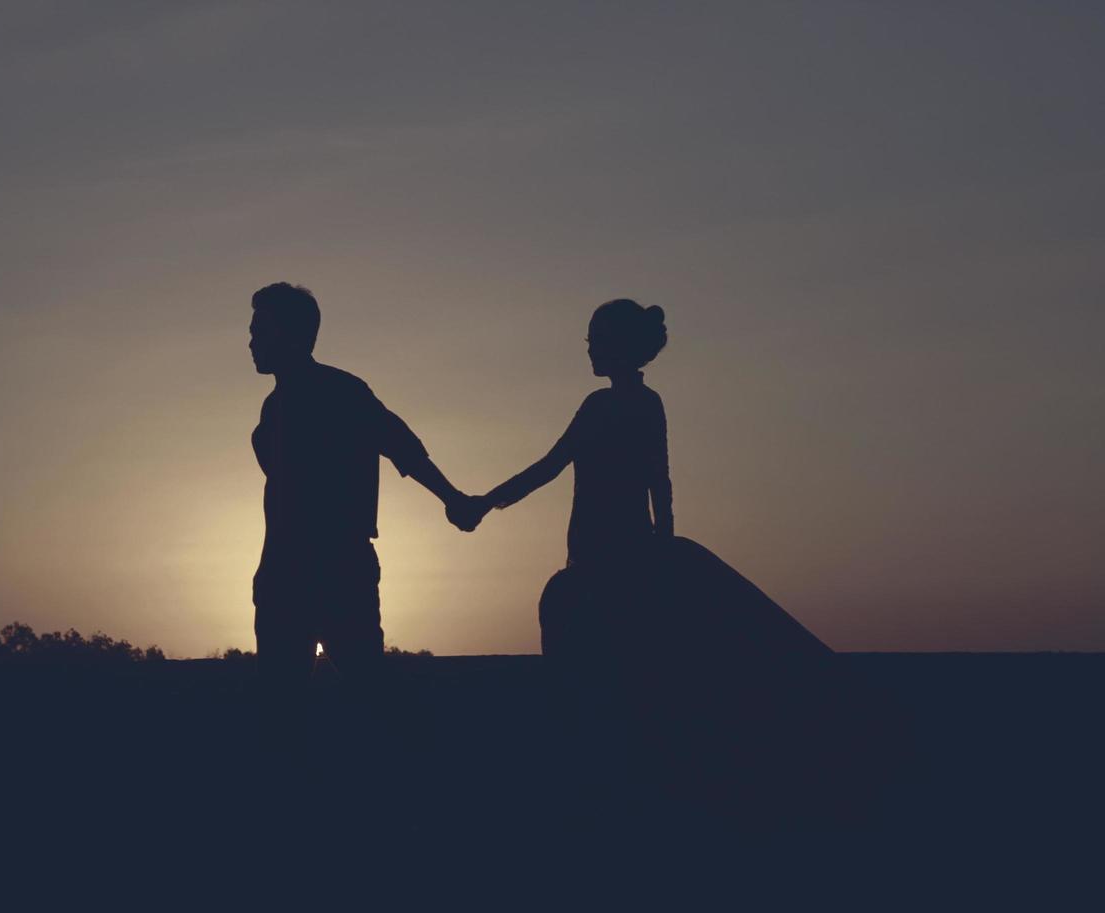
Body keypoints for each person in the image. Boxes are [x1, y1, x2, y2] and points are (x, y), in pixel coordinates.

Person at [447, 299, 857, 816]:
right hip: (633, 553)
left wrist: (484, 503)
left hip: (606, 558)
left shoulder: (603, 406)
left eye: (595, 337)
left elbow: (555, 468)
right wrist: (665, 546)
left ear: (617, 344)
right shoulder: (646, 403)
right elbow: (655, 482)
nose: (589, 347)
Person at [247, 282, 470, 770]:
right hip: (284, 566)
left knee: (368, 685)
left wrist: (452, 498)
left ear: (290, 333)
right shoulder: (275, 405)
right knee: (281, 698)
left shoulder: (342, 391)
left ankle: (424, 770)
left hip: (335, 562)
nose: (250, 341)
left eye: (259, 330)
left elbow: (401, 445)